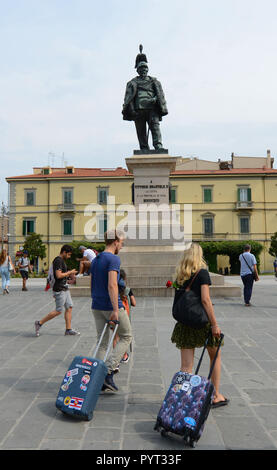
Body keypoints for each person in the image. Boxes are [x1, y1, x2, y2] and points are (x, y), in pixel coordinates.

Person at [171, 242, 229, 408]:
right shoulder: (202, 273)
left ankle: (182, 397)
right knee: (214, 355)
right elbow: (205, 300)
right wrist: (214, 324)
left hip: (185, 323)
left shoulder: (181, 275)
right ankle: (215, 394)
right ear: (199, 256)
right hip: (202, 322)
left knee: (186, 365)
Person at [90, 230, 132, 392]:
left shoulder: (96, 259)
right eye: (121, 242)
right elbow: (112, 284)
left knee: (102, 343)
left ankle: (96, 376)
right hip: (110, 306)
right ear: (115, 241)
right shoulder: (113, 258)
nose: (122, 245)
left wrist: (95, 300)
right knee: (127, 336)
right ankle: (107, 371)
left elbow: (92, 283)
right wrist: (116, 308)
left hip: (96, 305)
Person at [122, 45, 168, 151]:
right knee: (141, 130)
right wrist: (132, 109)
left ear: (147, 69)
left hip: (152, 108)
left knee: (155, 127)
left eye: (145, 68)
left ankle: (158, 145)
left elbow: (160, 95)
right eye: (141, 68)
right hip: (139, 109)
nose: (143, 70)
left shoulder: (154, 82)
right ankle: (143, 147)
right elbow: (128, 98)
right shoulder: (132, 83)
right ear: (137, 70)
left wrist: (156, 99)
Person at [34, 245, 79, 337]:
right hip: (59, 289)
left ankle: (68, 329)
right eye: (69, 254)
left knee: (69, 307)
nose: (69, 257)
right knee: (58, 310)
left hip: (64, 288)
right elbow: (58, 275)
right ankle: (39, 323)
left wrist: (69, 275)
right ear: (64, 252)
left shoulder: (61, 261)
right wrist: (70, 273)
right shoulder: (58, 261)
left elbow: (62, 275)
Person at [113, 269, 136, 369]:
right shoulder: (127, 289)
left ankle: (115, 361)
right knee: (125, 337)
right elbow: (134, 303)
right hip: (124, 316)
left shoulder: (113, 289)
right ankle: (124, 355)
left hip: (114, 314)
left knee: (115, 337)